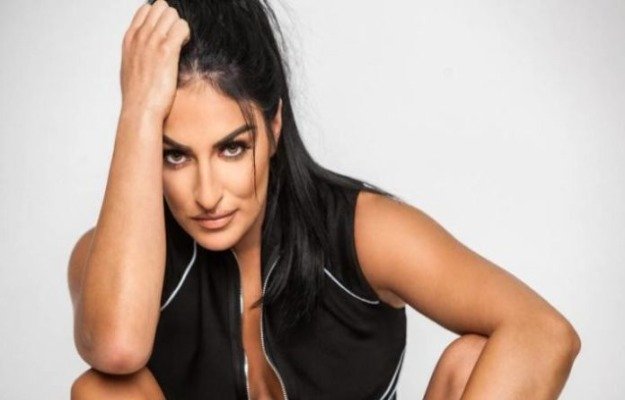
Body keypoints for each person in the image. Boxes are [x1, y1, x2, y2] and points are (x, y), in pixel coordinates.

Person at [67, 1, 581, 399]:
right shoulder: (109, 264)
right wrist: (138, 110)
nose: (207, 194)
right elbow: (116, 347)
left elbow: (543, 332)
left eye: (232, 148)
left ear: (274, 124)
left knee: (473, 360)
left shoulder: (362, 231)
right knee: (105, 389)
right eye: (175, 155)